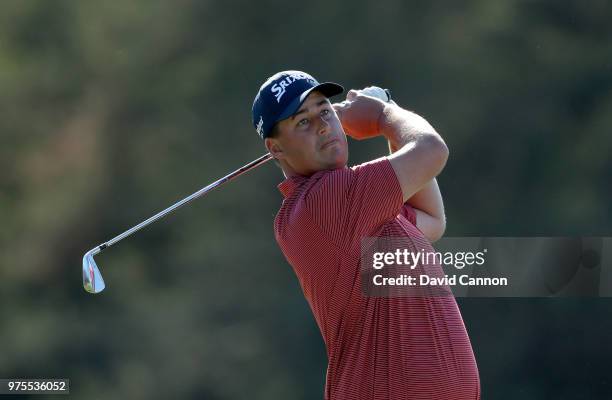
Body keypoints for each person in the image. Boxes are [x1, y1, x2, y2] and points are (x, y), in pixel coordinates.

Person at [252, 70, 480, 400]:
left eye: (325, 111)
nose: (322, 125)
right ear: (275, 149)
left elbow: (432, 220)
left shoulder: (357, 209)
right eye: (303, 121)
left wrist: (387, 111)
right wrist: (383, 115)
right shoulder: (325, 202)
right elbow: (431, 150)